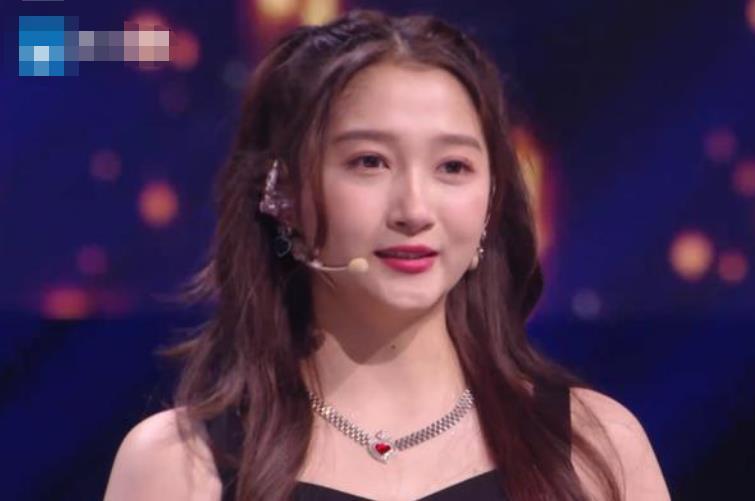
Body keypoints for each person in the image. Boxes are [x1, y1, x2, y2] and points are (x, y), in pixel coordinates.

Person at [104, 9, 670, 501]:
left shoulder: (592, 450)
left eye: (453, 167)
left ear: (492, 200)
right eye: (369, 162)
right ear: (284, 193)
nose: (414, 209)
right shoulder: (177, 467)